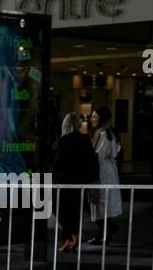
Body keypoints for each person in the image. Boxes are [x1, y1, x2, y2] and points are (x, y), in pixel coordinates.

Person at [51, 112, 98, 252]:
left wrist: (51, 177)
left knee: (58, 207)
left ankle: (72, 235)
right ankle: (70, 238)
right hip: (80, 180)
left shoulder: (63, 141)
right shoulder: (84, 139)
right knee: (75, 210)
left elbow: (57, 163)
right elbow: (92, 160)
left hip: (64, 181)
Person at [88, 106, 122, 246]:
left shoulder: (105, 135)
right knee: (100, 205)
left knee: (101, 204)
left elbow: (98, 155)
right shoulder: (104, 134)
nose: (92, 119)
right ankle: (105, 233)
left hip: (103, 174)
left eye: (95, 117)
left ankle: (106, 233)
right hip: (103, 172)